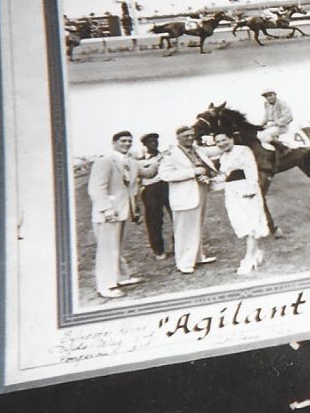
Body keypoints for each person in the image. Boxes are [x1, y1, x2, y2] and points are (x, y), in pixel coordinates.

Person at [88, 131, 151, 299]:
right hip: (108, 213)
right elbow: (96, 188)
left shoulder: (131, 162)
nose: (127, 144)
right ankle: (106, 286)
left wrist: (161, 159)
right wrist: (107, 210)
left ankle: (121, 277)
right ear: (114, 143)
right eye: (123, 141)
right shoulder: (104, 161)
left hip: (123, 212)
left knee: (116, 247)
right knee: (107, 250)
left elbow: (149, 173)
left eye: (130, 141)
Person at [159, 126, 217, 274]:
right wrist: (192, 172)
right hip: (184, 195)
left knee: (197, 225)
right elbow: (166, 175)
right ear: (178, 138)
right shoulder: (170, 154)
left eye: (191, 135)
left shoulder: (197, 149)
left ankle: (197, 257)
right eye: (186, 136)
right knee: (184, 230)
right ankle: (184, 263)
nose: (190, 138)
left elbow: (216, 151)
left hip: (200, 190)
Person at [213, 131, 269, 275]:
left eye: (224, 140)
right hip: (232, 191)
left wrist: (250, 189)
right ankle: (256, 252)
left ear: (231, 138)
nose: (221, 144)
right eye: (218, 141)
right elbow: (225, 175)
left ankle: (249, 258)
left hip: (246, 189)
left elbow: (251, 170)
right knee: (240, 221)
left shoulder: (243, 150)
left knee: (250, 222)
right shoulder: (223, 156)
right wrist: (213, 181)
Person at [138, 133, 172, 261]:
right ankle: (158, 250)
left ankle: (179, 245)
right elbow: (145, 175)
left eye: (155, 141)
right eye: (150, 142)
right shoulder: (140, 160)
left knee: (177, 216)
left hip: (168, 186)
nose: (154, 143)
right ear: (145, 144)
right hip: (151, 189)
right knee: (154, 221)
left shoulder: (166, 155)